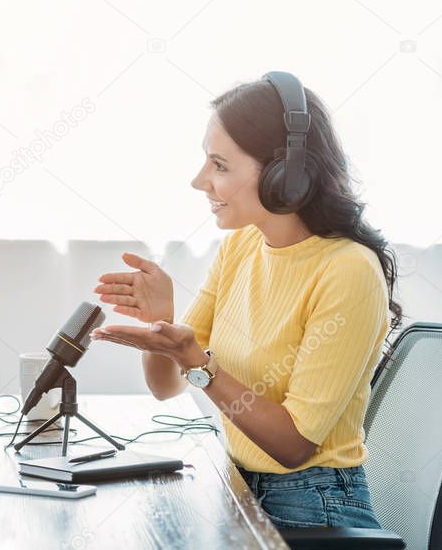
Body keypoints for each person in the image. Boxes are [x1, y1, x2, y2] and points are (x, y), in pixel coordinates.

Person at [91, 73, 399, 530]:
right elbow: (167, 386)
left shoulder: (348, 270)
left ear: (285, 175)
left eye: (219, 165)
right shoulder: (241, 247)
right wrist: (163, 326)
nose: (200, 181)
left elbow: (294, 446)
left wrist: (197, 361)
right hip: (238, 482)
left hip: (313, 506)